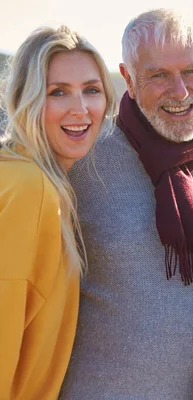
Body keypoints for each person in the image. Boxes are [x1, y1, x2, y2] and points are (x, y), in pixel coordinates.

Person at [59, 9, 193, 398]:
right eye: (158, 75)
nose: (180, 91)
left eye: (192, 71)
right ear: (129, 79)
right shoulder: (83, 163)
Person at [0, 25, 116, 399]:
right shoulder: (30, 190)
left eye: (92, 90)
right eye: (58, 92)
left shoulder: (17, 174)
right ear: (25, 99)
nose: (80, 109)